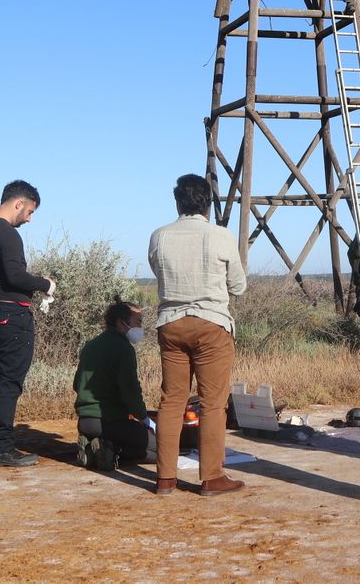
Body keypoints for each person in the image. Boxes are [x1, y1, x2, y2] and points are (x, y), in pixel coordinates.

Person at [149, 174, 249, 496]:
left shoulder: (159, 236)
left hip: (171, 323)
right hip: (211, 323)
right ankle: (212, 478)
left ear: (177, 202)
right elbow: (239, 286)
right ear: (208, 203)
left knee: (172, 400)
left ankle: (165, 478)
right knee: (212, 403)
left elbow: (157, 269)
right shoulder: (220, 235)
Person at [0, 180, 57, 468]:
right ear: (18, 203)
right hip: (10, 316)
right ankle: (1, 449)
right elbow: (15, 277)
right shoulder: (7, 234)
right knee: (8, 382)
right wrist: (46, 284)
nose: (29, 219)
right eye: (29, 211)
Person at [73, 301, 157, 469]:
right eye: (138, 322)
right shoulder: (124, 349)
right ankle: (109, 450)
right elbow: (130, 392)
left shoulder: (91, 345)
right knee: (162, 450)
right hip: (110, 422)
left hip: (85, 422)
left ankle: (93, 447)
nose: (141, 327)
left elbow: (77, 384)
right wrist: (145, 419)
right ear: (121, 322)